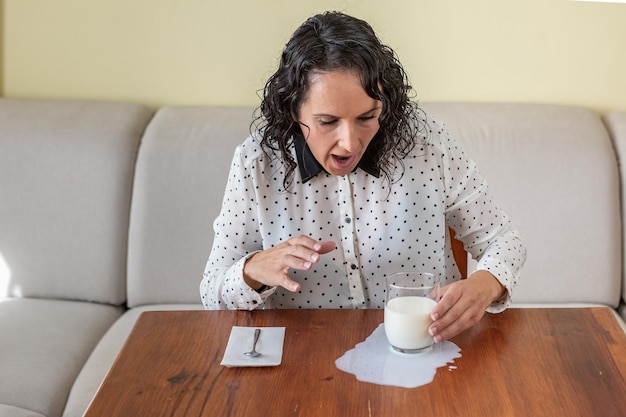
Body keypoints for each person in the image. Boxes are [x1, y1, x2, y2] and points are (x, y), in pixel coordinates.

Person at [201, 11, 526, 343]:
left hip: (424, 355)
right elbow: (212, 295)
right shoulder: (255, 163)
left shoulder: (429, 144)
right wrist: (252, 270)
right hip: (302, 365)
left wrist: (484, 285)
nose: (350, 142)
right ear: (292, 109)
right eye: (327, 121)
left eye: (367, 117)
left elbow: (505, 240)